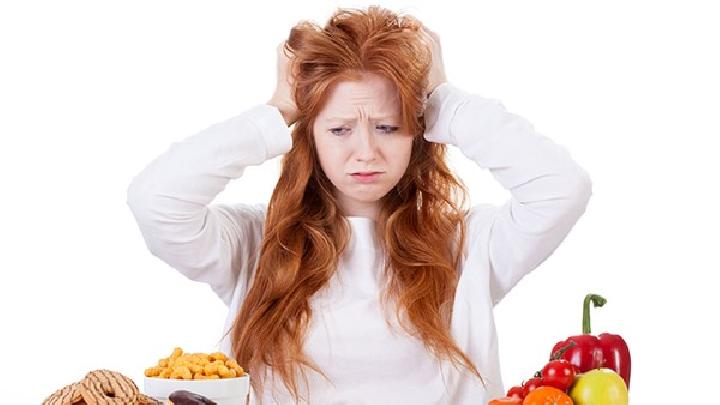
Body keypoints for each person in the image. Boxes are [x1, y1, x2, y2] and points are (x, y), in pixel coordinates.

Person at [126, 6, 592, 405]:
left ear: (419, 132)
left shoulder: (470, 246)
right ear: (309, 138)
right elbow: (156, 200)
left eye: (388, 127)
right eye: (340, 129)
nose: (365, 152)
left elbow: (562, 187)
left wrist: (442, 96)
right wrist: (279, 109)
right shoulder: (256, 243)